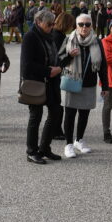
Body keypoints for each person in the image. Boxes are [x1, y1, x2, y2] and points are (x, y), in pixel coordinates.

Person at [58, 14, 109, 158]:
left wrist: (105, 86)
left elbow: (103, 66)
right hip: (72, 81)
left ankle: (79, 140)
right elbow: (58, 60)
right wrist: (69, 56)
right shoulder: (69, 39)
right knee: (70, 114)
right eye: (81, 24)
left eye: (87, 24)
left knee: (84, 113)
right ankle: (68, 144)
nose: (84, 27)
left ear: (91, 26)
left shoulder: (97, 42)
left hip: (89, 83)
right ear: (76, 26)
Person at [21, 9, 65, 164]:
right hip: (36, 82)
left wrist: (59, 66)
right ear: (38, 22)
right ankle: (31, 151)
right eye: (49, 24)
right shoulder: (30, 37)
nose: (52, 27)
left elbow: (54, 56)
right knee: (36, 116)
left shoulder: (49, 35)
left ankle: (45, 147)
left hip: (51, 82)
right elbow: (27, 65)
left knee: (56, 112)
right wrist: (48, 71)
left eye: (53, 24)